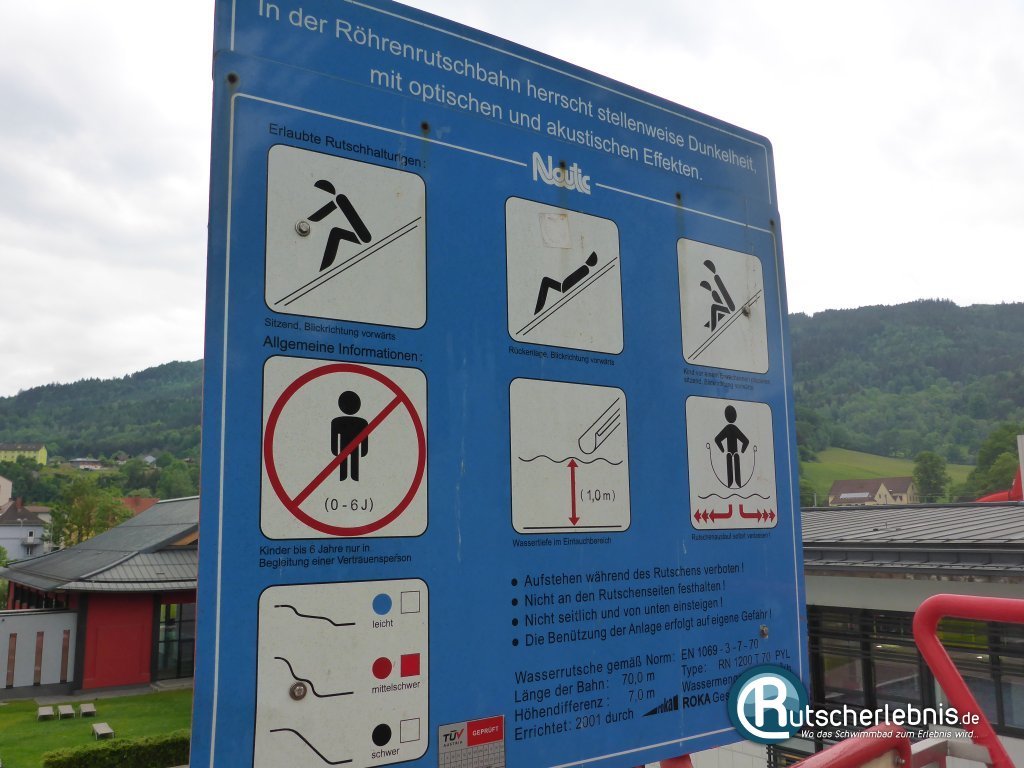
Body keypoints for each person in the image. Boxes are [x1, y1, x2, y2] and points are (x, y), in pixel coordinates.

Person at [534, 251, 598, 314]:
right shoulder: (585, 269)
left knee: (545, 280)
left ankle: (539, 307)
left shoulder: (585, 269)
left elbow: (571, 279)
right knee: (545, 280)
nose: (587, 259)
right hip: (564, 286)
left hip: (563, 287)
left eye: (589, 258)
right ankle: (539, 307)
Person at [331, 391, 369, 481]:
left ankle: (350, 477)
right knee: (348, 461)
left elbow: (334, 438)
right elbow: (334, 437)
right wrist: (364, 450)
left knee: (352, 461)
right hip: (347, 446)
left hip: (348, 446)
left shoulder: (337, 421)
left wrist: (334, 450)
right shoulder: (362, 422)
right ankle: (347, 477)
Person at [714, 405, 749, 488]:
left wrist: (722, 449)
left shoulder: (729, 428)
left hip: (731, 454)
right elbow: (745, 441)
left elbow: (717, 439)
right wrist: (742, 450)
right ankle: (736, 485)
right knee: (733, 469)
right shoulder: (732, 428)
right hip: (733, 454)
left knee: (733, 469)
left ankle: (734, 485)